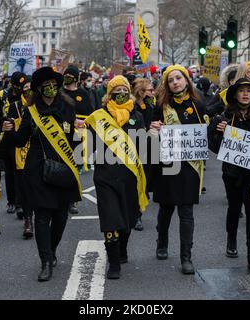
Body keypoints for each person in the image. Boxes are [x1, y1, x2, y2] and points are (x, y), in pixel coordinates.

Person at [3, 67, 81, 282]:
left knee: (61, 215)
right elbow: (20, 141)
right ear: (38, 89)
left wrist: (83, 134)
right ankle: (45, 261)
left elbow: (74, 138)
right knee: (43, 215)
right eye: (46, 85)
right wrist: (9, 131)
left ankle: (52, 249)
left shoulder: (67, 107)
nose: (51, 88)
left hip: (63, 167)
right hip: (37, 169)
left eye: (54, 85)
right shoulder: (31, 111)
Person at [84, 75, 148, 279]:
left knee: (128, 220)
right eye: (116, 91)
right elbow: (88, 147)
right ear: (109, 95)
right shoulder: (99, 116)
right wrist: (81, 135)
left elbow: (144, 148)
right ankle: (113, 263)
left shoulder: (136, 116)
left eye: (124, 90)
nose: (121, 94)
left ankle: (122, 249)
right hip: (106, 177)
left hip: (130, 177)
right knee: (111, 219)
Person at [208, 79, 250, 270]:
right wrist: (219, 132)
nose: (245, 94)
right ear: (235, 95)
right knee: (235, 207)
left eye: (248, 91)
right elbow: (214, 146)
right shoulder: (224, 117)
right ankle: (231, 239)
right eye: (241, 91)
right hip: (232, 173)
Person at [150, 65, 208, 275]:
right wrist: (153, 130)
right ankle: (162, 241)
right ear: (166, 85)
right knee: (166, 208)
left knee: (186, 210)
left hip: (190, 165)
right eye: (171, 80)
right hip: (168, 163)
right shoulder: (161, 105)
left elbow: (206, 130)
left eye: (178, 78)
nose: (175, 82)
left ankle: (186, 257)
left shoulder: (198, 102)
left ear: (186, 80)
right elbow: (151, 131)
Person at [7, 76, 34, 238]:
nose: (28, 91)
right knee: (23, 184)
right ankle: (28, 219)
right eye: (26, 88)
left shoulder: (41, 106)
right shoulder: (14, 106)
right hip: (20, 151)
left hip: (38, 151)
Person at [62, 65, 92, 213]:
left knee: (75, 169)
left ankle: (72, 200)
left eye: (69, 75)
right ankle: (62, 198)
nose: (66, 77)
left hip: (79, 136)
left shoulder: (83, 94)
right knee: (63, 168)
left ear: (75, 78)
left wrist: (83, 123)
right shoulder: (60, 93)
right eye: (65, 74)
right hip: (62, 135)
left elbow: (90, 113)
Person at [0, 72, 27, 215]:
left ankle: (21, 201)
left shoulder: (27, 99)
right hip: (8, 137)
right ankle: (11, 201)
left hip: (21, 137)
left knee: (20, 172)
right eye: (19, 86)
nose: (21, 89)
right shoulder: (2, 96)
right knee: (9, 171)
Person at [131, 77, 155, 232]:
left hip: (147, 148)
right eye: (150, 90)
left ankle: (138, 214)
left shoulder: (151, 105)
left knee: (143, 181)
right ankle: (133, 214)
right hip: (132, 148)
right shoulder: (131, 107)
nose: (153, 92)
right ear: (141, 91)